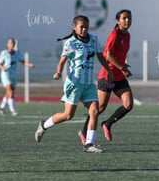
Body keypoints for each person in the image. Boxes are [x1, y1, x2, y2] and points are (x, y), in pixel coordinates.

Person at [34, 15, 113, 153]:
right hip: (75, 84)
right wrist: (58, 72)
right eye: (81, 27)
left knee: (94, 111)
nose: (84, 29)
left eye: (86, 27)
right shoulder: (70, 43)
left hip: (88, 84)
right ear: (74, 27)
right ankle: (44, 125)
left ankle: (89, 144)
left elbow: (100, 57)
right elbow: (62, 61)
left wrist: (109, 70)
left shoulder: (94, 39)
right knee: (68, 115)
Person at [78, 9, 133, 144]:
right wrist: (122, 67)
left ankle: (107, 124)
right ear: (117, 21)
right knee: (99, 108)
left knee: (128, 104)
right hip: (108, 76)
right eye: (124, 18)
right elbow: (107, 55)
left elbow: (118, 54)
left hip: (119, 76)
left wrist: (123, 64)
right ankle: (84, 131)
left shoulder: (127, 35)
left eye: (129, 18)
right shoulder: (114, 35)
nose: (127, 21)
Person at [0, 38, 34, 116]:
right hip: (6, 73)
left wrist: (29, 65)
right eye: (10, 43)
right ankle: (13, 111)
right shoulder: (4, 53)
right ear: (7, 44)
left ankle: (1, 107)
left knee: (10, 92)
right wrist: (3, 68)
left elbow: (23, 61)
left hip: (13, 74)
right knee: (9, 89)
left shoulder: (17, 53)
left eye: (13, 43)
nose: (11, 44)